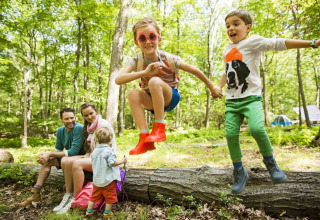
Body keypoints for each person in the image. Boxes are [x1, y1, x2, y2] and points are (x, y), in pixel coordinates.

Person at [216, 9, 320, 194]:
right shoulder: (226, 49)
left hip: (251, 98)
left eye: (236, 24)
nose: (231, 28)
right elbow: (226, 71)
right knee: (231, 135)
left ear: (247, 28)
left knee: (256, 129)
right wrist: (218, 86)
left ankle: (271, 164)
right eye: (228, 26)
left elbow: (279, 43)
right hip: (232, 101)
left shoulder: (253, 41)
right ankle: (239, 172)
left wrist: (311, 43)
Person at [115, 17, 222, 155]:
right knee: (132, 93)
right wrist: (144, 72)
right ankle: (144, 139)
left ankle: (159, 127)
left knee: (154, 81)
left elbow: (195, 71)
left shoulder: (170, 59)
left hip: (170, 97)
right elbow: (118, 79)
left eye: (152, 36)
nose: (148, 41)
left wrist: (212, 87)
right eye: (142, 38)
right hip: (152, 100)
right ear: (137, 42)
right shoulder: (136, 60)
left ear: (159, 39)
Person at [53, 102, 117, 214]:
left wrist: (85, 158)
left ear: (96, 112)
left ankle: (74, 199)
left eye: (91, 113)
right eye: (86, 115)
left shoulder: (103, 125)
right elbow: (90, 148)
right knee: (65, 160)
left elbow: (106, 149)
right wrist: (86, 155)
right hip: (93, 156)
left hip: (103, 160)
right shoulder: (89, 127)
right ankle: (67, 194)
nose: (89, 117)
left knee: (77, 163)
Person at [18, 107, 85, 206]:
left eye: (72, 118)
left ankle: (69, 195)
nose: (70, 121)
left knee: (56, 157)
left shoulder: (79, 128)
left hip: (81, 158)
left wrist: (50, 154)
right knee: (47, 161)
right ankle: (36, 192)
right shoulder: (60, 130)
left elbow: (73, 151)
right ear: (61, 120)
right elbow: (58, 149)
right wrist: (46, 157)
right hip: (68, 158)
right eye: (67, 119)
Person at [85, 127, 127, 218]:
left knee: (94, 196)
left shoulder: (94, 152)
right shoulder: (109, 151)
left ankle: (89, 211)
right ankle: (107, 212)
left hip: (97, 180)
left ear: (95, 139)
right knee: (110, 197)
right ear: (110, 139)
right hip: (108, 180)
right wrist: (122, 161)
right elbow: (113, 163)